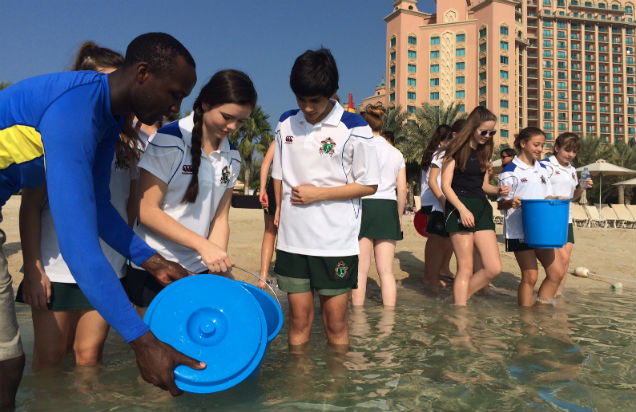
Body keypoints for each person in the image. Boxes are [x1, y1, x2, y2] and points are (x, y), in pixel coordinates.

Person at [0, 32, 203, 405]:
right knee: (8, 366)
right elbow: (79, 250)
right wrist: (143, 342)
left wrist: (152, 260)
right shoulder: (76, 112)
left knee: (8, 365)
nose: (176, 108)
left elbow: (98, 205)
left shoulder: (106, 115)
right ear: (142, 73)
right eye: (174, 94)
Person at [16, 42, 142, 369]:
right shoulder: (56, 130)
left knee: (89, 358)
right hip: (55, 266)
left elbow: (126, 205)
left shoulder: (128, 142)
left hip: (108, 267)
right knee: (49, 359)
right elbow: (31, 205)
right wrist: (33, 268)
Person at [271, 48, 379, 348]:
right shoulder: (285, 123)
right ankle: (299, 387)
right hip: (292, 242)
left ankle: (336, 393)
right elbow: (279, 173)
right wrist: (278, 209)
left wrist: (319, 194)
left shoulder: (354, 127)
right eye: (300, 99)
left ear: (333, 93)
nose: (306, 107)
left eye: (314, 101)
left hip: (335, 243)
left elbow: (369, 185)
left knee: (336, 325)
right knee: (298, 322)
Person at [125, 70, 256, 310]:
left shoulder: (233, 155)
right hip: (155, 267)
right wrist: (202, 245)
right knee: (156, 346)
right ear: (205, 104)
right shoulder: (168, 140)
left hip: (199, 270)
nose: (232, 126)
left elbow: (220, 218)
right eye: (227, 116)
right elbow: (146, 210)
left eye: (241, 121)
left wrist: (218, 264)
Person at [441, 106, 510, 306]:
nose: (488, 136)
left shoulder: (484, 152)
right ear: (472, 128)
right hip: (459, 207)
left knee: (493, 267)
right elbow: (445, 186)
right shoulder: (454, 150)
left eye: (492, 132)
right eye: (484, 131)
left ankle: (456, 302)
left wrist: (498, 190)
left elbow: (482, 186)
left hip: (481, 207)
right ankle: (460, 316)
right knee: (465, 267)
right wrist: (462, 209)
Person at [498, 127, 565, 306]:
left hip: (542, 229)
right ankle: (526, 320)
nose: (539, 149)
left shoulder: (543, 168)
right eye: (536, 144)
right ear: (523, 143)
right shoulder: (510, 171)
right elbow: (500, 204)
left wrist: (555, 199)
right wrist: (510, 202)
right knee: (530, 276)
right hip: (519, 230)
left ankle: (541, 312)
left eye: (542, 145)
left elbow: (546, 196)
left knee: (556, 273)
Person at [351, 103, 406, 307]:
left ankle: (357, 320)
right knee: (387, 272)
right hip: (388, 208)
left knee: (360, 271)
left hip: (363, 205)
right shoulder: (396, 153)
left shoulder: (358, 149)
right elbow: (402, 190)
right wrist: (399, 217)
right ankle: (388, 323)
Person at [540, 132, 592, 296]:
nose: (571, 155)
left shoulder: (571, 170)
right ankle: (548, 295)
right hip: (548, 217)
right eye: (567, 150)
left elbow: (572, 198)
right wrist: (553, 199)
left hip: (566, 218)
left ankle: (558, 295)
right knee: (559, 261)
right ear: (556, 148)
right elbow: (537, 191)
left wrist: (582, 188)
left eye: (574, 151)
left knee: (566, 260)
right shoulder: (545, 166)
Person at [420, 120, 466, 292]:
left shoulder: (461, 153)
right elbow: (433, 181)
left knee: (447, 241)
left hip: (451, 204)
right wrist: (442, 201)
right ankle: (429, 277)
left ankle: (439, 272)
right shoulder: (441, 154)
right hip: (440, 203)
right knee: (436, 242)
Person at [258, 141, 278, 289]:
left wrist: (262, 188)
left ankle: (263, 278)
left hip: (273, 187)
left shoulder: (277, 139)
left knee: (270, 232)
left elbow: (265, 164)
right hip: (293, 188)